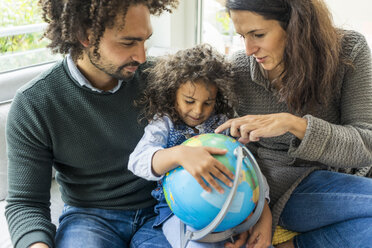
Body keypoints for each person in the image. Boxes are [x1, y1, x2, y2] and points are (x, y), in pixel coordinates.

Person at [5, 0, 179, 248]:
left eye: (145, 40)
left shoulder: (161, 78)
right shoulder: (35, 103)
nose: (142, 56)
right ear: (84, 35)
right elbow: (26, 202)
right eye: (128, 42)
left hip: (162, 210)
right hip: (89, 217)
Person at [214, 0, 372, 248]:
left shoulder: (349, 51)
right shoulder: (239, 70)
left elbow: (366, 145)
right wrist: (258, 207)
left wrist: (295, 125)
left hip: (344, 178)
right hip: (282, 189)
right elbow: (234, 150)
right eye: (242, 36)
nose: (248, 49)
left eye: (258, 34)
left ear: (296, 25)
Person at [128, 44, 272, 248]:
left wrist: (263, 211)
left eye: (208, 102)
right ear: (172, 94)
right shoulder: (165, 123)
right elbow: (137, 160)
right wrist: (179, 155)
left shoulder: (222, 124)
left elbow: (247, 165)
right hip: (178, 212)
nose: (197, 111)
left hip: (228, 209)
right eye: (189, 101)